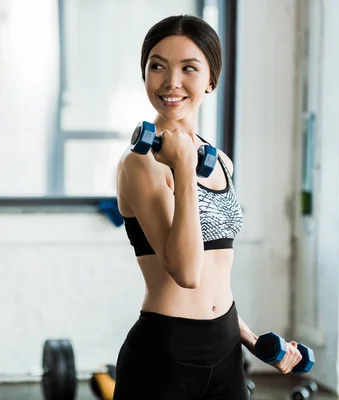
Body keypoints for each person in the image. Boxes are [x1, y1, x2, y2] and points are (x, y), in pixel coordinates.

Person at [113, 15, 302, 400]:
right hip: (165, 354)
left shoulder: (221, 163)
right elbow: (186, 272)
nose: (171, 82)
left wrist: (251, 339)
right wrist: (182, 168)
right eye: (158, 66)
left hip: (227, 347)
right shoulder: (139, 164)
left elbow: (217, 276)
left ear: (211, 80)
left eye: (189, 68)